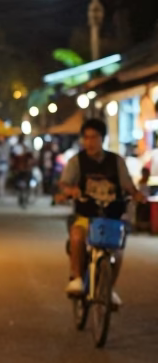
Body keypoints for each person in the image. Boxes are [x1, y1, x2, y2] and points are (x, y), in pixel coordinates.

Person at [58, 117, 144, 305]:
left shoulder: (116, 161)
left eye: (94, 137)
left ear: (102, 138)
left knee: (117, 250)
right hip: (84, 215)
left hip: (111, 217)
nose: (89, 142)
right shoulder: (76, 162)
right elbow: (64, 184)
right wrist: (70, 191)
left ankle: (109, 288)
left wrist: (136, 195)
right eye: (86, 138)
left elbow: (128, 186)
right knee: (77, 237)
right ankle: (77, 278)